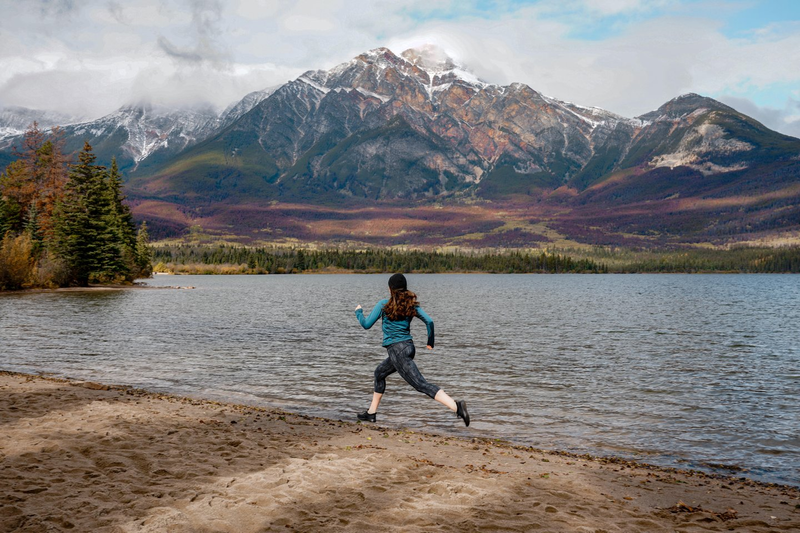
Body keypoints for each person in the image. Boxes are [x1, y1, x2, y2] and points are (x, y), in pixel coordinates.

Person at [354, 273, 469, 426]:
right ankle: (371, 413)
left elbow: (366, 324)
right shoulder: (411, 305)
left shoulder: (383, 304)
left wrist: (359, 313)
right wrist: (430, 341)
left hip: (397, 351)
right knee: (379, 373)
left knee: (420, 384)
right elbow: (429, 321)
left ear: (390, 289)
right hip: (408, 347)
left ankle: (457, 407)